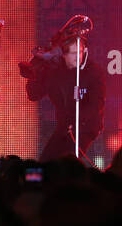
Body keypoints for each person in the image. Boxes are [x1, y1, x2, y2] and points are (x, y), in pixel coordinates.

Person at [19, 14, 105, 162]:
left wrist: (75, 119)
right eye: (67, 53)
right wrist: (36, 74)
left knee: (67, 163)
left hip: (85, 127)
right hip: (64, 128)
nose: (72, 58)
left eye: (75, 53)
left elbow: (96, 105)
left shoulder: (93, 72)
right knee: (45, 163)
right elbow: (33, 95)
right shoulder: (55, 71)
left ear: (83, 51)